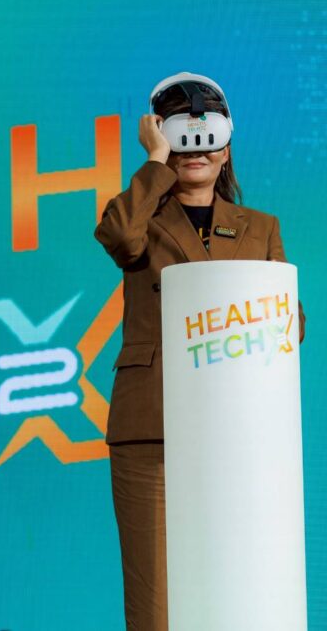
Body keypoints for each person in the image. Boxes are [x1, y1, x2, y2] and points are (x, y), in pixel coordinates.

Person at [95, 73, 305, 630]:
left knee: (239, 586)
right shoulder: (141, 216)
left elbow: (291, 322)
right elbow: (119, 237)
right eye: (180, 138)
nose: (196, 149)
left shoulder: (261, 228)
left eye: (208, 137)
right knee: (155, 598)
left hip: (240, 436)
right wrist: (155, 160)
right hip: (152, 426)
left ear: (226, 148)